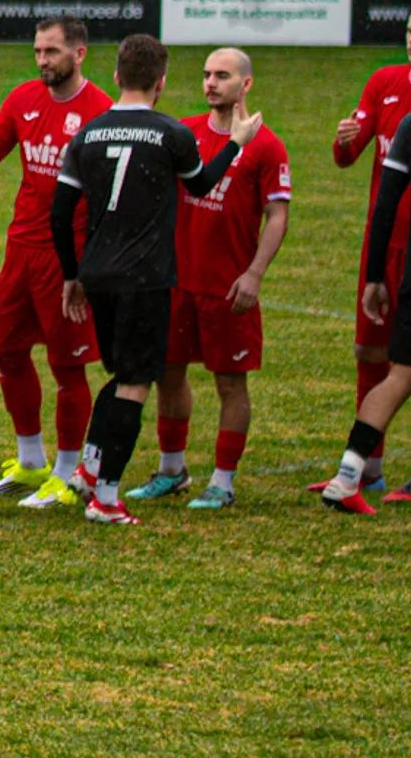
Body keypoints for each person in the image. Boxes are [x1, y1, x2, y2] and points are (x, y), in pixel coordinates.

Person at [44, 33, 261, 523]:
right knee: (137, 383)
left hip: (97, 274)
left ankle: (91, 472)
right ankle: (106, 499)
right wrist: (236, 144)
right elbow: (203, 185)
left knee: (122, 375)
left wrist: (71, 274)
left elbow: (61, 215)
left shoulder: (89, 134)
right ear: (161, 83)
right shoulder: (171, 135)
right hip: (144, 278)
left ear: (117, 77)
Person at [0, 17, 112, 508]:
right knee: (7, 350)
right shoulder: (22, 100)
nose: (42, 60)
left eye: (53, 52)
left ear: (79, 54)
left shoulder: (101, 111)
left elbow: (108, 200)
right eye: (38, 51)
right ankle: (31, 460)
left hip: (69, 257)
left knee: (68, 366)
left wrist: (86, 269)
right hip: (20, 249)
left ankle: (67, 473)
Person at [123, 47, 289, 509]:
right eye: (206, 75)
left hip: (228, 286)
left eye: (222, 75)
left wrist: (254, 273)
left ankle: (223, 481)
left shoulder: (267, 145)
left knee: (230, 383)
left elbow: (277, 214)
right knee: (167, 373)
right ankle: (172, 470)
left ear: (246, 85)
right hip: (175, 281)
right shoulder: (184, 133)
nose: (211, 83)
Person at [320, 17, 411, 513]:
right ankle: (410, 473)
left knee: (402, 372)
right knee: (388, 361)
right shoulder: (387, 86)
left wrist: (374, 274)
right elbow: (350, 157)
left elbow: (385, 205)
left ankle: (348, 475)